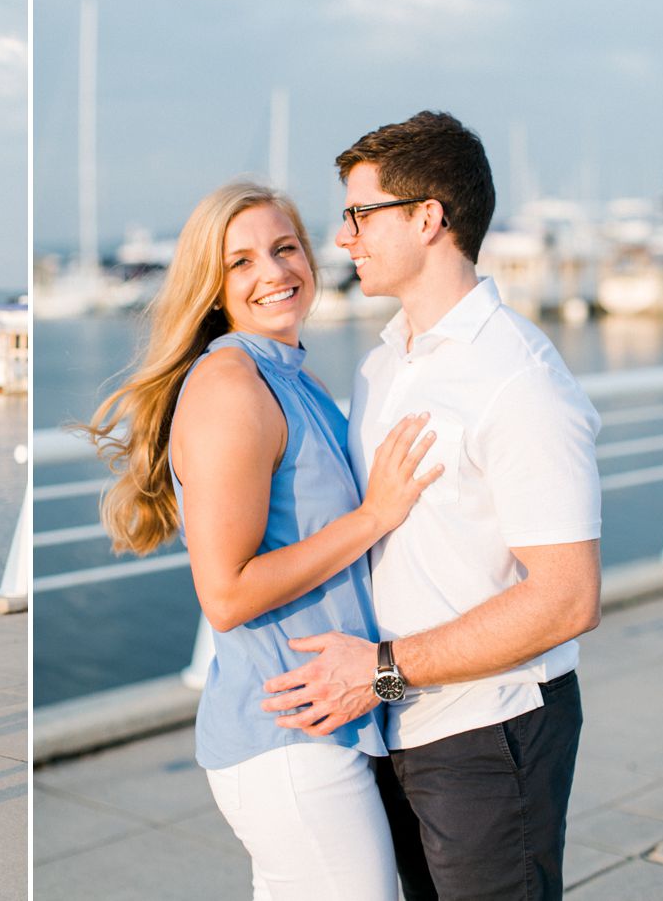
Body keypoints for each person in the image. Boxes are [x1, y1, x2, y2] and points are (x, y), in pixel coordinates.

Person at [261, 112, 602, 900]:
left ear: (427, 217)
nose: (342, 238)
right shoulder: (385, 364)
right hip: (396, 722)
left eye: (359, 214)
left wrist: (379, 671)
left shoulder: (520, 382)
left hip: (491, 731)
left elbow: (568, 597)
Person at [85, 181, 442, 898]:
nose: (274, 273)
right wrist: (373, 516)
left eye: (284, 249)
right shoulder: (231, 385)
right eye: (241, 261)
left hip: (324, 725)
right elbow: (224, 595)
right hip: (288, 744)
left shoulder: (290, 375)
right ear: (212, 287)